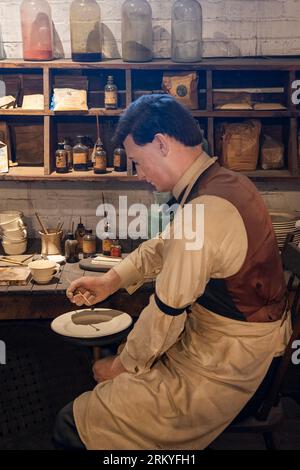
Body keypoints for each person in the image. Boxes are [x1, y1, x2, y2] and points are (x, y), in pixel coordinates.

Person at [53, 94, 291, 450]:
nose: (139, 174)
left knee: (74, 422)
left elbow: (167, 310)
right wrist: (111, 279)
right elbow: (165, 245)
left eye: (138, 161)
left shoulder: (203, 209)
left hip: (224, 369)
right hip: (232, 350)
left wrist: (121, 366)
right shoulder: (224, 182)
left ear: (161, 144)